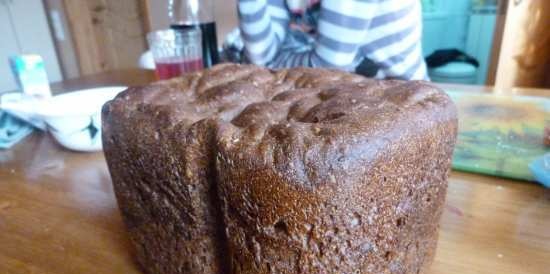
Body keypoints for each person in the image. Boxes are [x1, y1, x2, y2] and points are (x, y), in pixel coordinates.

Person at [236, 0, 428, 80]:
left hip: (405, 102)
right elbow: (261, 58)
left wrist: (278, 61)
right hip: (344, 98)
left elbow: (329, 68)